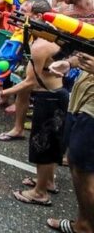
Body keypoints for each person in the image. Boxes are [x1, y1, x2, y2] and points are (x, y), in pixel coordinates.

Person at [0, 0, 67, 206]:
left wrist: (0, 94)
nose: (19, 16)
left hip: (50, 98)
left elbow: (30, 82)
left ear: (38, 17)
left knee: (43, 146)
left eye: (25, 12)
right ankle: (46, 181)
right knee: (47, 144)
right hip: (52, 96)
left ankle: (40, 192)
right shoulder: (44, 34)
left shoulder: (41, 45)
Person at [46, 53, 94, 233]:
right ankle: (84, 223)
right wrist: (69, 63)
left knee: (85, 170)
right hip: (81, 101)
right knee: (76, 163)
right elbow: (88, 50)